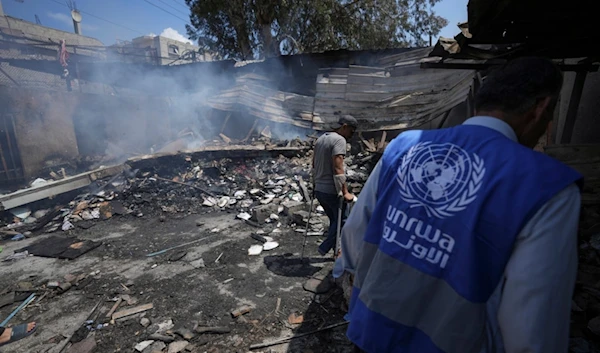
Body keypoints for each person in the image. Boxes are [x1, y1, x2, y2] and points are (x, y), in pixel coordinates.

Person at [339, 57, 582, 353]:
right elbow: (532, 334)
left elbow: (354, 234)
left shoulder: (405, 146)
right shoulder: (547, 187)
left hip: (370, 335)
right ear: (541, 108)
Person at [312, 115, 358, 256]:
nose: (352, 135)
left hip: (319, 189)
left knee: (334, 221)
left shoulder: (321, 138)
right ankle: (325, 247)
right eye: (351, 131)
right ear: (344, 126)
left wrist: (314, 184)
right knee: (344, 220)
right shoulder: (339, 140)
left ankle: (336, 250)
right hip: (330, 190)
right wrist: (345, 192)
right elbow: (338, 169)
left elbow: (313, 164)